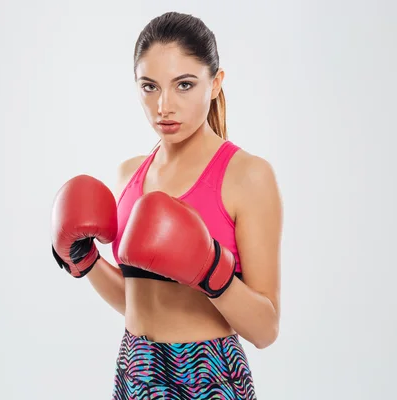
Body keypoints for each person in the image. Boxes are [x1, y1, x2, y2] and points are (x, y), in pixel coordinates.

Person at [51, 11, 282, 399]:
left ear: (215, 83)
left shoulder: (248, 176)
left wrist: (212, 271)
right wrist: (86, 261)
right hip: (135, 368)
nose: (164, 106)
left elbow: (266, 330)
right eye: (150, 87)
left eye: (184, 85)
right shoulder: (128, 175)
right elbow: (134, 300)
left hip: (210, 374)